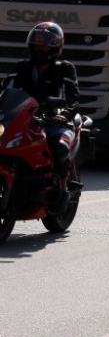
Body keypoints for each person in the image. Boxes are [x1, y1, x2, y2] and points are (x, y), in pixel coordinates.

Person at [2, 22, 79, 213]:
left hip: (55, 121)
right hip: (24, 121)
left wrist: (64, 115)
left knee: (59, 147)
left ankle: (62, 191)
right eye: (37, 44)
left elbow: (74, 99)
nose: (40, 48)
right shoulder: (21, 67)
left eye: (45, 45)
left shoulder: (65, 69)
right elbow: (4, 92)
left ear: (55, 47)